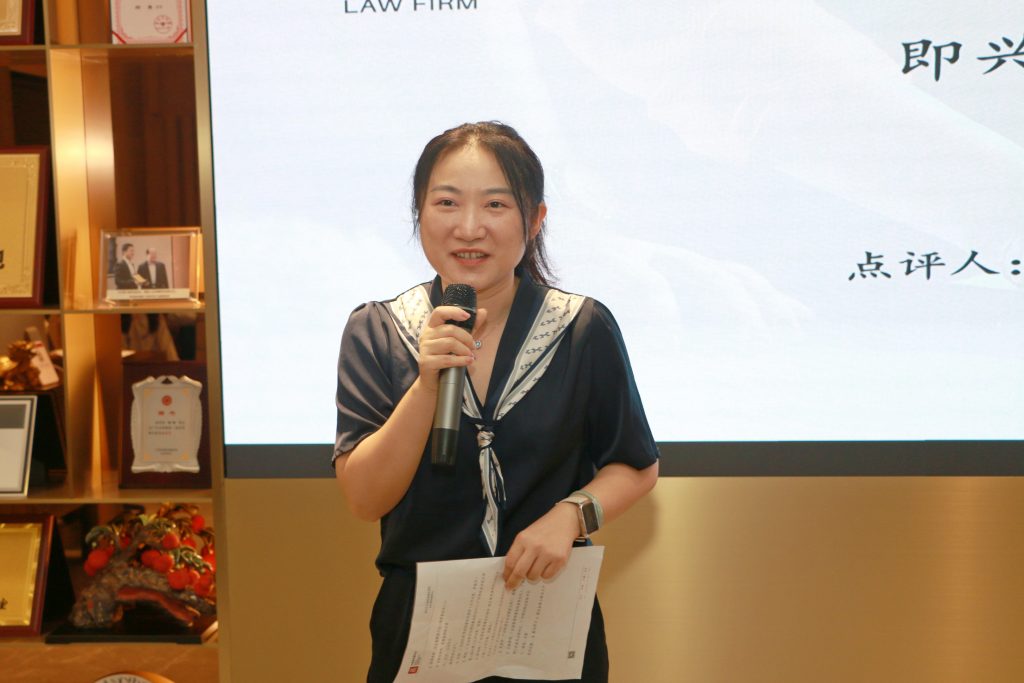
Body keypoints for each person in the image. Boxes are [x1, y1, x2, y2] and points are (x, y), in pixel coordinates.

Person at [333, 122, 659, 683]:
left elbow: (635, 465)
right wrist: (427, 385)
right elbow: (365, 498)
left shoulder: (582, 328)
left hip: (549, 618)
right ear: (418, 214)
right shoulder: (377, 330)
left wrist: (570, 516)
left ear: (534, 220)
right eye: (446, 202)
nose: (469, 227)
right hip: (422, 629)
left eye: (495, 205)